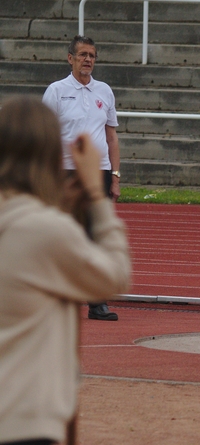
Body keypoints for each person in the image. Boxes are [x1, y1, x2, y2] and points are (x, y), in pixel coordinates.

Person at [0, 96, 131, 445]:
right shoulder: (45, 231)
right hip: (23, 421)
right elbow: (115, 274)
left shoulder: (40, 226)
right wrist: (97, 198)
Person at [42, 35, 122, 321]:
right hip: (66, 172)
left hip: (99, 172)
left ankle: (97, 303)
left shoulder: (104, 91)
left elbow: (111, 138)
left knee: (97, 235)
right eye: (83, 55)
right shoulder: (56, 91)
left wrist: (115, 176)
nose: (88, 59)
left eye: (92, 55)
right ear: (70, 58)